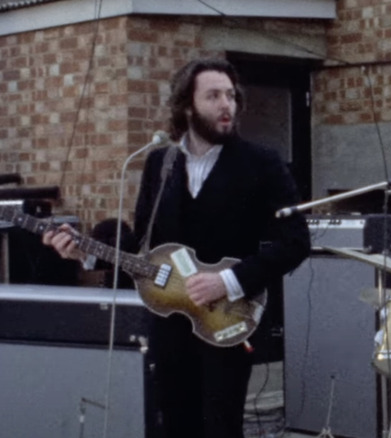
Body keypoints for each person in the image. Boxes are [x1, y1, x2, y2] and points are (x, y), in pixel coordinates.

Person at [43, 58, 311, 438]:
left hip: (227, 319)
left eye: (231, 96)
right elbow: (142, 250)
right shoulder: (159, 163)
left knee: (221, 427)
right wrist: (85, 255)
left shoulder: (260, 163)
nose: (226, 106)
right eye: (214, 96)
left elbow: (296, 241)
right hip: (169, 322)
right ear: (187, 105)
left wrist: (229, 280)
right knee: (173, 424)